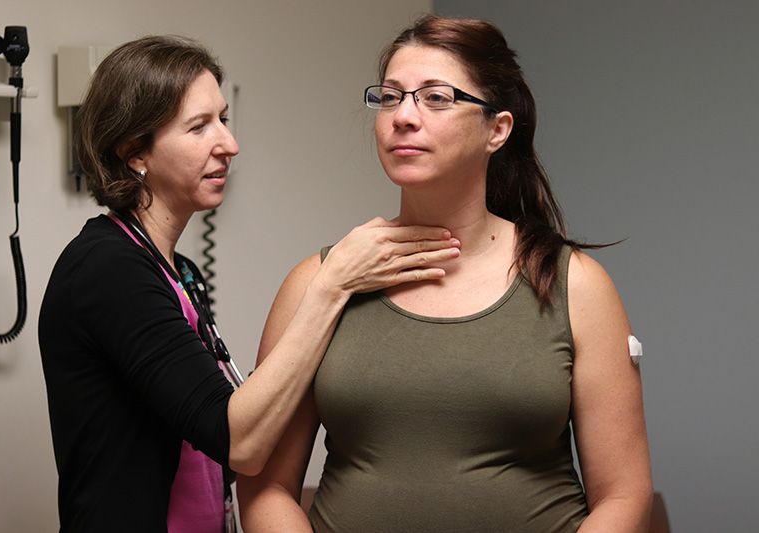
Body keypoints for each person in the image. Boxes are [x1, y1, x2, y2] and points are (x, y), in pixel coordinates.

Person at [237, 15, 653, 532]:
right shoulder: (317, 282)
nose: (403, 116)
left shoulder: (575, 284)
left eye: (436, 97)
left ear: (497, 129)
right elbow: (264, 487)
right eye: (391, 97)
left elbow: (624, 496)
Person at [38, 35, 460, 532]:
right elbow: (238, 441)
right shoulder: (107, 270)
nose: (229, 145)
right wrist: (332, 285)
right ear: (134, 152)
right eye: (199, 127)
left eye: (223, 119)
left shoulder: (176, 271)